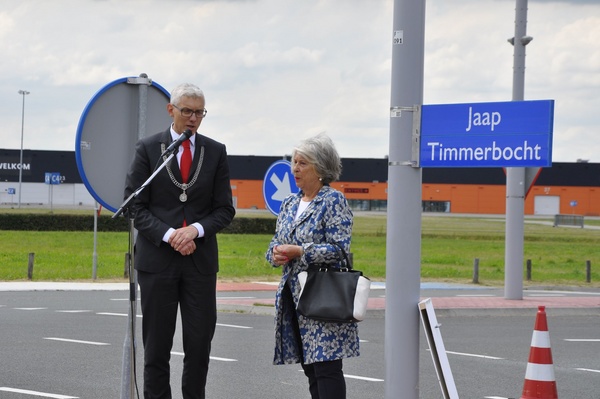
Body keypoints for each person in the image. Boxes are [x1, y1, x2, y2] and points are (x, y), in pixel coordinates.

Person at [123, 83, 235, 399]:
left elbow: (225, 209)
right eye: (187, 111)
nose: (193, 118)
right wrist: (171, 234)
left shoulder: (215, 151)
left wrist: (195, 230)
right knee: (157, 348)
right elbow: (134, 205)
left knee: (199, 346)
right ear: (171, 110)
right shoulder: (148, 149)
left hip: (199, 263)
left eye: (199, 112)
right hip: (157, 262)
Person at [265, 133, 358, 399]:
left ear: (320, 169)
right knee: (310, 367)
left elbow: (339, 249)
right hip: (293, 298)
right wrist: (275, 254)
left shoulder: (333, 201)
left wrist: (302, 252)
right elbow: (275, 242)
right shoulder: (289, 202)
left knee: (326, 367)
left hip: (322, 295)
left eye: (302, 163)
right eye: (294, 161)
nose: (294, 168)